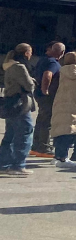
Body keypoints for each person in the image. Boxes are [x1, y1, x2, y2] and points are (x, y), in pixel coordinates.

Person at [0, 44, 37, 175]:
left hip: (10, 102)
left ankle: (4, 164)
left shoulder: (8, 65)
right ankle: (18, 165)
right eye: (30, 52)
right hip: (20, 103)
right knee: (25, 131)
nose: (31, 54)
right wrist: (33, 81)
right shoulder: (19, 67)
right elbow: (28, 85)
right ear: (26, 53)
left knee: (10, 133)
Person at [50, 52, 76, 166]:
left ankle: (57, 156)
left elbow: (54, 86)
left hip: (61, 103)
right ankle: (63, 158)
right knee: (71, 131)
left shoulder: (61, 71)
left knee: (60, 130)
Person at [29, 41, 64, 157]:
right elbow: (48, 75)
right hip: (48, 96)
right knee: (46, 122)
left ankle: (36, 145)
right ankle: (44, 147)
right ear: (62, 52)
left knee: (41, 120)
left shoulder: (44, 59)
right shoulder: (53, 62)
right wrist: (46, 90)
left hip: (40, 94)